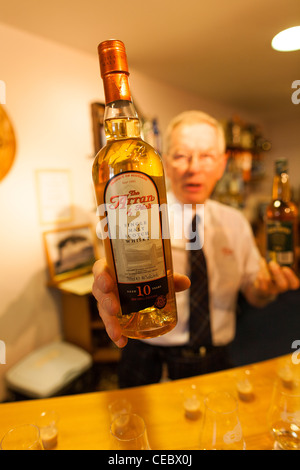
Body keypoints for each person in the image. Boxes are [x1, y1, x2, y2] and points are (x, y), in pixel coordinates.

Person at [92, 110, 299, 387]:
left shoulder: (235, 222)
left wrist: (266, 289)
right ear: (163, 160)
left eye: (207, 156)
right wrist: (105, 281)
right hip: (149, 356)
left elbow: (254, 293)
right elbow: (108, 265)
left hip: (217, 359)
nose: (193, 167)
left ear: (223, 164)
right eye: (181, 156)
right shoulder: (139, 215)